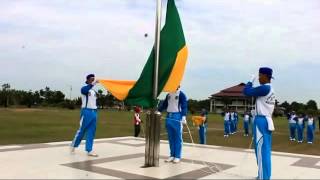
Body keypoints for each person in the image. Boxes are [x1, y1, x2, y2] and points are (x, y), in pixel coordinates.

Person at [243, 67, 276, 180]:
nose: (258, 78)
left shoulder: (265, 88)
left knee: (261, 151)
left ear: (265, 76)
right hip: (266, 120)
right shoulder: (271, 89)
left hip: (261, 121)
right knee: (265, 150)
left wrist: (249, 82)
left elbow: (246, 91)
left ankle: (263, 177)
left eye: (259, 75)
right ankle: (264, 175)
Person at [70, 74, 99, 157]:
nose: (93, 80)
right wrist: (93, 83)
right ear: (88, 80)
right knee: (82, 130)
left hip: (94, 112)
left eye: (94, 79)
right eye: (92, 79)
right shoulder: (84, 88)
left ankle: (89, 150)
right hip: (86, 111)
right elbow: (84, 90)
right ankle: (73, 145)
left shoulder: (94, 91)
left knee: (91, 132)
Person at [158, 86, 188, 163]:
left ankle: (177, 156)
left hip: (177, 116)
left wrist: (183, 116)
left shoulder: (181, 94)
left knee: (177, 137)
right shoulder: (168, 94)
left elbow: (184, 105)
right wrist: (159, 111)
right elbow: (164, 104)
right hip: (169, 116)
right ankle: (172, 155)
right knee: (171, 137)